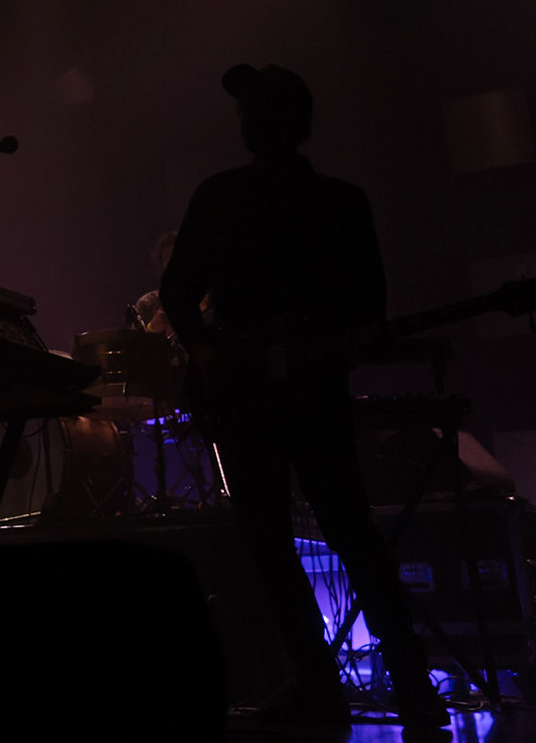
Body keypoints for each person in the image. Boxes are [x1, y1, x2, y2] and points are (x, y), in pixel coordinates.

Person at [160, 65, 448, 739]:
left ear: (255, 124)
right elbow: (369, 309)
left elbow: (179, 292)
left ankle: (321, 684)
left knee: (274, 540)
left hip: (251, 396)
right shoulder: (343, 202)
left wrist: (209, 349)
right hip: (306, 393)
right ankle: (408, 683)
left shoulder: (221, 196)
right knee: (349, 534)